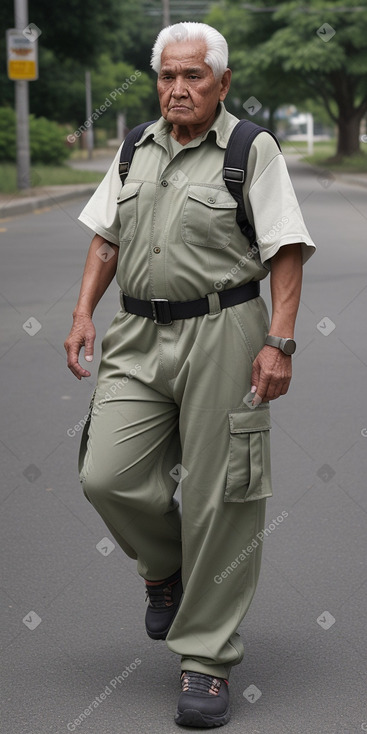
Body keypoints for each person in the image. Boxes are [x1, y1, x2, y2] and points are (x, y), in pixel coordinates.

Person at [64, 21, 315, 729]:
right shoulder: (134, 147)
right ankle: (164, 568)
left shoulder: (248, 149)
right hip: (136, 331)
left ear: (221, 83)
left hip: (223, 330)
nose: (177, 88)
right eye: (167, 76)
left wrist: (280, 342)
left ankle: (205, 658)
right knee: (104, 474)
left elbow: (285, 251)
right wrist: (82, 311)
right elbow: (107, 238)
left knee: (219, 496)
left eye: (192, 77)